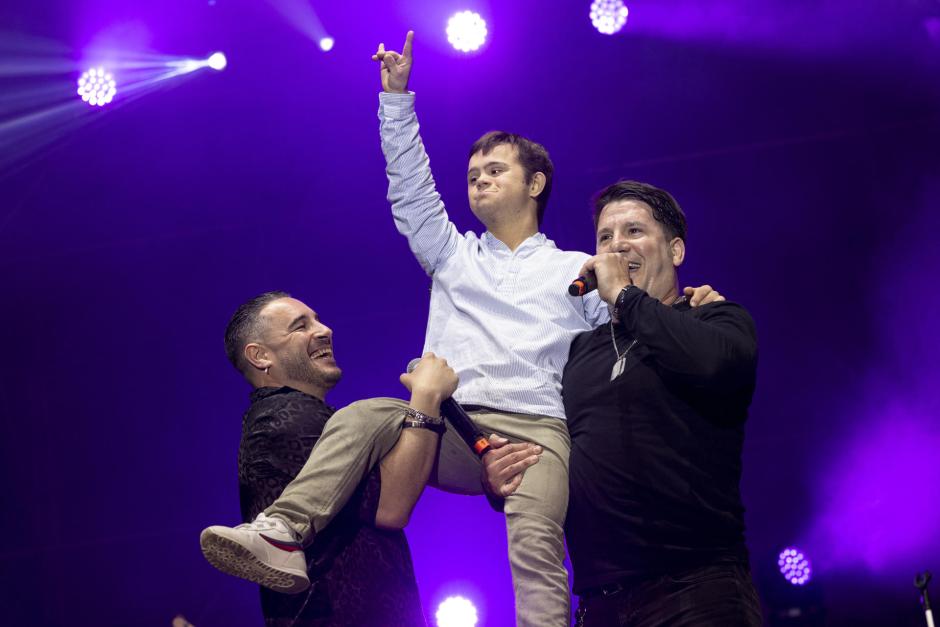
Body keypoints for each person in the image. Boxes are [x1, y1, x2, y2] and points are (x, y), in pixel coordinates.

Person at [200, 33, 718, 627]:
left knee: (537, 547)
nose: (478, 180)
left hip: (537, 433)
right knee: (362, 413)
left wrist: (687, 301)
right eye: (472, 173)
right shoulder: (452, 255)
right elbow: (413, 192)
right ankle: (284, 533)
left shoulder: (576, 270)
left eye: (495, 170)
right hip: (448, 426)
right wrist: (395, 100)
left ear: (536, 184)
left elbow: (635, 320)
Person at [483, 181, 763, 626]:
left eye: (634, 231)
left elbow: (715, 365)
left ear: (675, 251)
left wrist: (625, 297)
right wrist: (507, 476)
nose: (616, 247)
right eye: (605, 237)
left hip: (694, 589)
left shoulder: (714, 319)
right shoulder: (581, 352)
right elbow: (554, 448)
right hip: (600, 603)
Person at [202, 291, 458, 626]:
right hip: (338, 615)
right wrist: (425, 398)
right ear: (260, 356)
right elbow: (391, 506)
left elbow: (410, 466)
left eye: (318, 319)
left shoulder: (310, 418)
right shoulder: (287, 413)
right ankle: (280, 528)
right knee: (376, 411)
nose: (324, 330)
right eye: (300, 326)